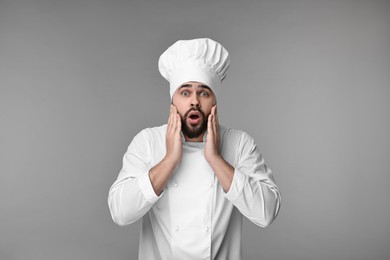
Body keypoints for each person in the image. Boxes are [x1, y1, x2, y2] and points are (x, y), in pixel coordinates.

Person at [108, 38, 281, 260]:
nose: (195, 102)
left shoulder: (239, 144)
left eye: (204, 93)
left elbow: (266, 213)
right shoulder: (148, 141)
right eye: (185, 92)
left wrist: (216, 159)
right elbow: (120, 212)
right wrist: (169, 161)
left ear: (215, 102)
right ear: (173, 101)